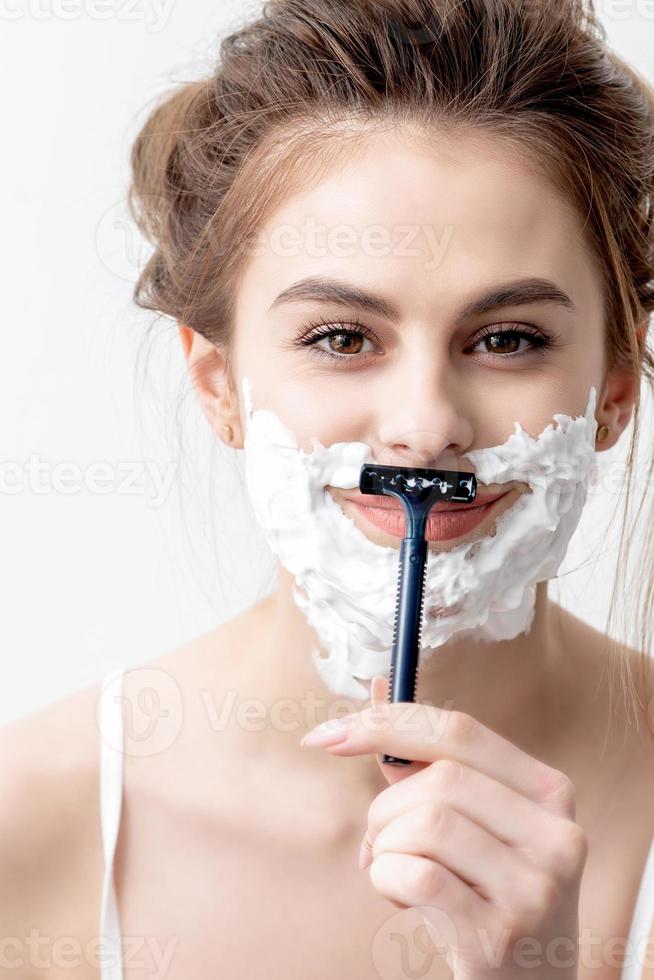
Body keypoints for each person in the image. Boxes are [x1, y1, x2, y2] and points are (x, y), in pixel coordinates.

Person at [2, 1, 654, 977]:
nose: (426, 423)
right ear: (219, 385)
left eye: (508, 337)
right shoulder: (26, 826)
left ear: (611, 390)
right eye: (342, 338)